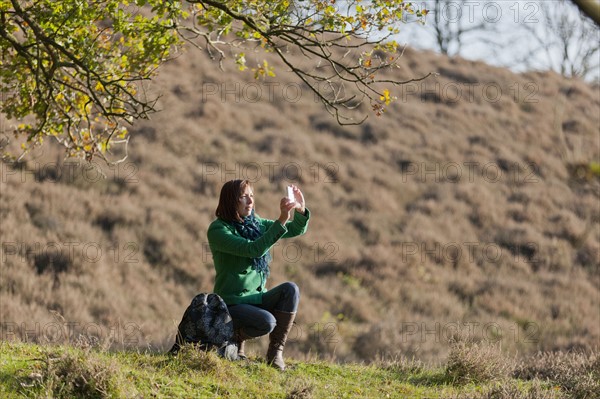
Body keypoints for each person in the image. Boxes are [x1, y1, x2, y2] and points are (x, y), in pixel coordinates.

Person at [207, 179, 310, 370]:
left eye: (252, 196)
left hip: (256, 297)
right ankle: (233, 336)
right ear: (231, 201)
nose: (250, 201)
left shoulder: (256, 223)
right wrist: (281, 220)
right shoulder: (218, 230)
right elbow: (253, 249)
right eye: (244, 197)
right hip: (232, 303)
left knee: (290, 290)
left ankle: (275, 354)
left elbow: (295, 229)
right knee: (267, 321)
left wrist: (300, 210)